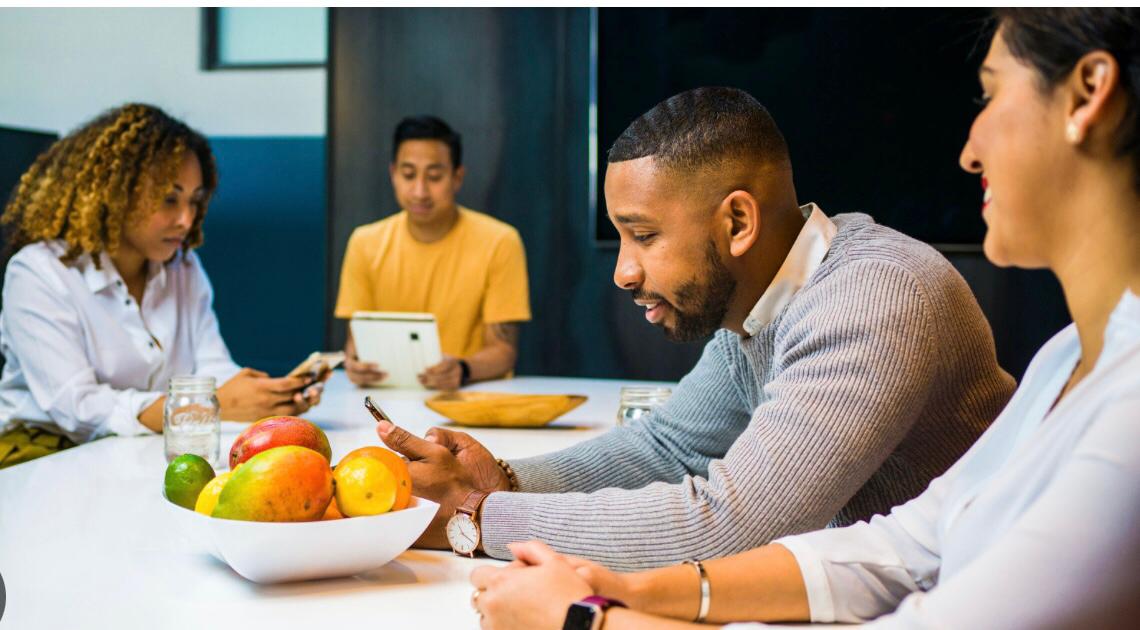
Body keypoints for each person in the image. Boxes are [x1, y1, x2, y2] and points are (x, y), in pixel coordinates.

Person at [469, 8, 1140, 629]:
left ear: (1087, 94)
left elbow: (734, 522)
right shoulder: (1063, 359)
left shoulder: (879, 293)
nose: (969, 149)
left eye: (990, 94)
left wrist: (578, 611)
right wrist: (627, 584)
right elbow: (904, 545)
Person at [374, 87, 1016, 569]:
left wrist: (477, 519)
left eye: (644, 236)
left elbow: (732, 524)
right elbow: (669, 448)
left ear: (737, 223)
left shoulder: (873, 295)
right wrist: (505, 479)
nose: (623, 272)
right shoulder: (764, 303)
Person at [0, 103, 323, 468]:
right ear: (114, 191)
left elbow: (212, 368)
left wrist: (269, 398)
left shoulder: (182, 267)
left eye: (195, 201)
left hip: (141, 449)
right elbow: (77, 407)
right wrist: (208, 405)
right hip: (41, 456)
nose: (186, 220)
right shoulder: (39, 271)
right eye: (169, 199)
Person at [335, 115, 531, 390]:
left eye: (435, 176)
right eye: (408, 175)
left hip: (469, 395)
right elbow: (356, 342)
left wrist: (461, 369)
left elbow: (503, 350)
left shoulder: (500, 241)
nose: (419, 191)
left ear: (457, 177)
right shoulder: (364, 242)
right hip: (386, 396)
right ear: (393, 174)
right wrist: (355, 364)